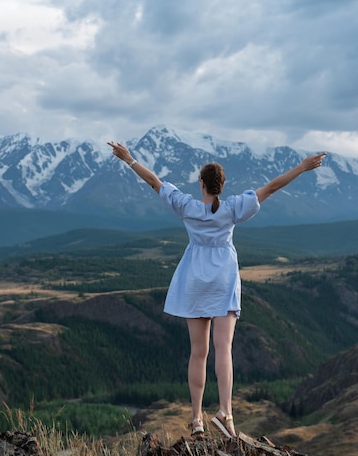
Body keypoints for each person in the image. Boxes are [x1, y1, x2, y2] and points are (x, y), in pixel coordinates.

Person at [107, 140, 326, 438]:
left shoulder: (187, 207)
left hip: (194, 280)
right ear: (222, 186)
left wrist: (128, 159)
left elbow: (153, 182)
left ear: (202, 185)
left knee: (199, 353)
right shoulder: (234, 208)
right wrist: (303, 167)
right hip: (223, 281)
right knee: (224, 349)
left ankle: (196, 419)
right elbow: (272, 187)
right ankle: (226, 413)